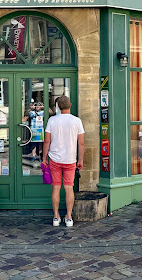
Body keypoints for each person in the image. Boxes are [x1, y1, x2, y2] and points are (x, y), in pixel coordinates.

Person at [42, 95, 84, 227]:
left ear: (58, 107)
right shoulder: (77, 121)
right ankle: (69, 217)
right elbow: (81, 144)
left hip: (54, 158)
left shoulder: (52, 120)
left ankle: (55, 217)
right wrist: (80, 160)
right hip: (70, 159)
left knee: (56, 187)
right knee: (68, 188)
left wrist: (44, 158)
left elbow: (47, 141)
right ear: (70, 105)